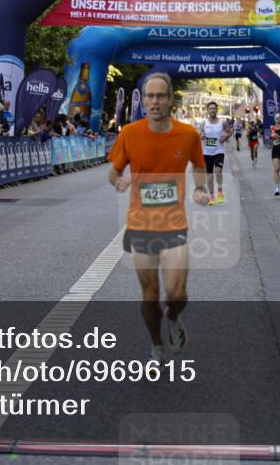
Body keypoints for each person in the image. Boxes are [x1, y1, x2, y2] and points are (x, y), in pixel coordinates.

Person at [107, 72, 206, 363]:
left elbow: (199, 164)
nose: (154, 101)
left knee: (177, 293)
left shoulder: (187, 134)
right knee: (150, 295)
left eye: (160, 96)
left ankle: (174, 319)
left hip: (175, 225)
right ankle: (156, 346)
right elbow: (113, 170)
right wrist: (118, 180)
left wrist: (200, 188)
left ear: (170, 100)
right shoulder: (130, 133)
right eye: (149, 96)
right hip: (141, 226)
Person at [198, 102, 231, 206]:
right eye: (210, 109)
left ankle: (220, 191)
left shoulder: (222, 122)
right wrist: (201, 137)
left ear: (217, 110)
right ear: (208, 110)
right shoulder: (203, 123)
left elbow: (230, 131)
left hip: (218, 151)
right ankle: (212, 196)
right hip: (207, 153)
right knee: (209, 176)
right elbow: (198, 135)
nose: (212, 110)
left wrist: (225, 138)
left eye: (214, 108)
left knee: (218, 171)